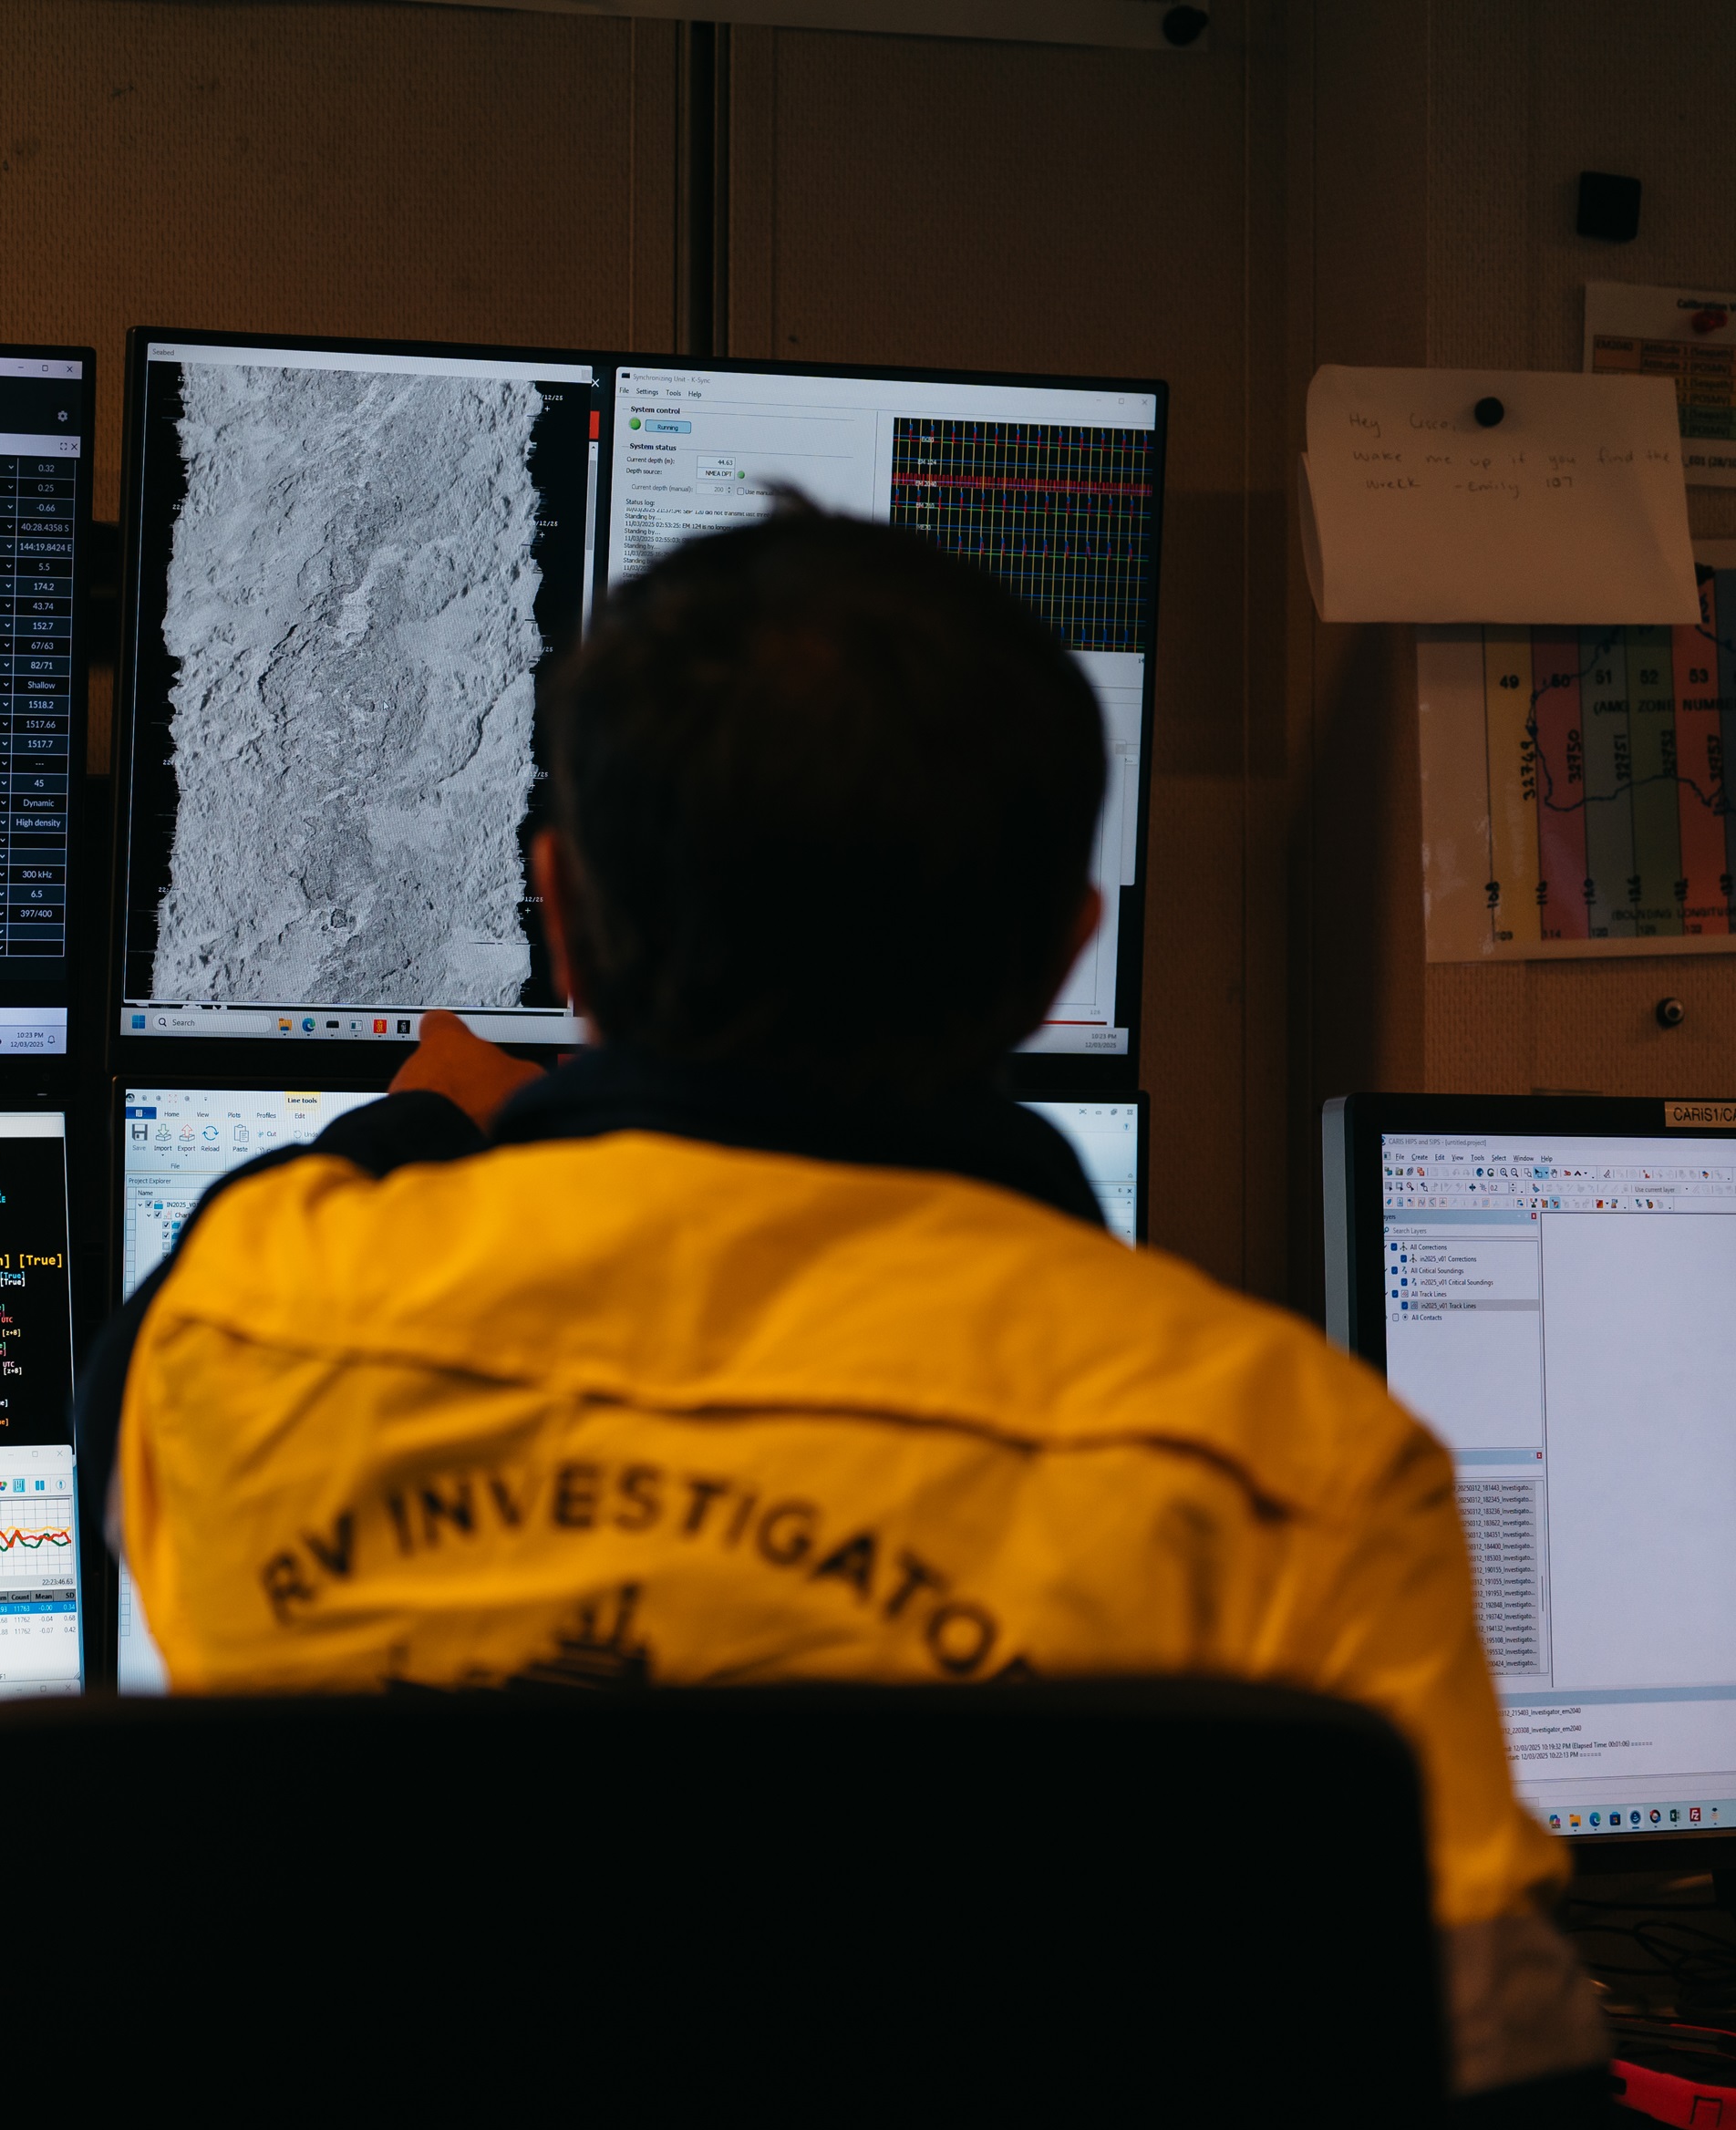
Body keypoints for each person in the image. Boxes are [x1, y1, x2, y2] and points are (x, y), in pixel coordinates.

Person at [79, 506, 1603, 2111]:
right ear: (1061, 960)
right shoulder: (1287, 1468)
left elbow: (162, 1333)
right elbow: (1500, 2085)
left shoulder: (249, 1334)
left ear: (562, 911)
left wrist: (427, 1122)